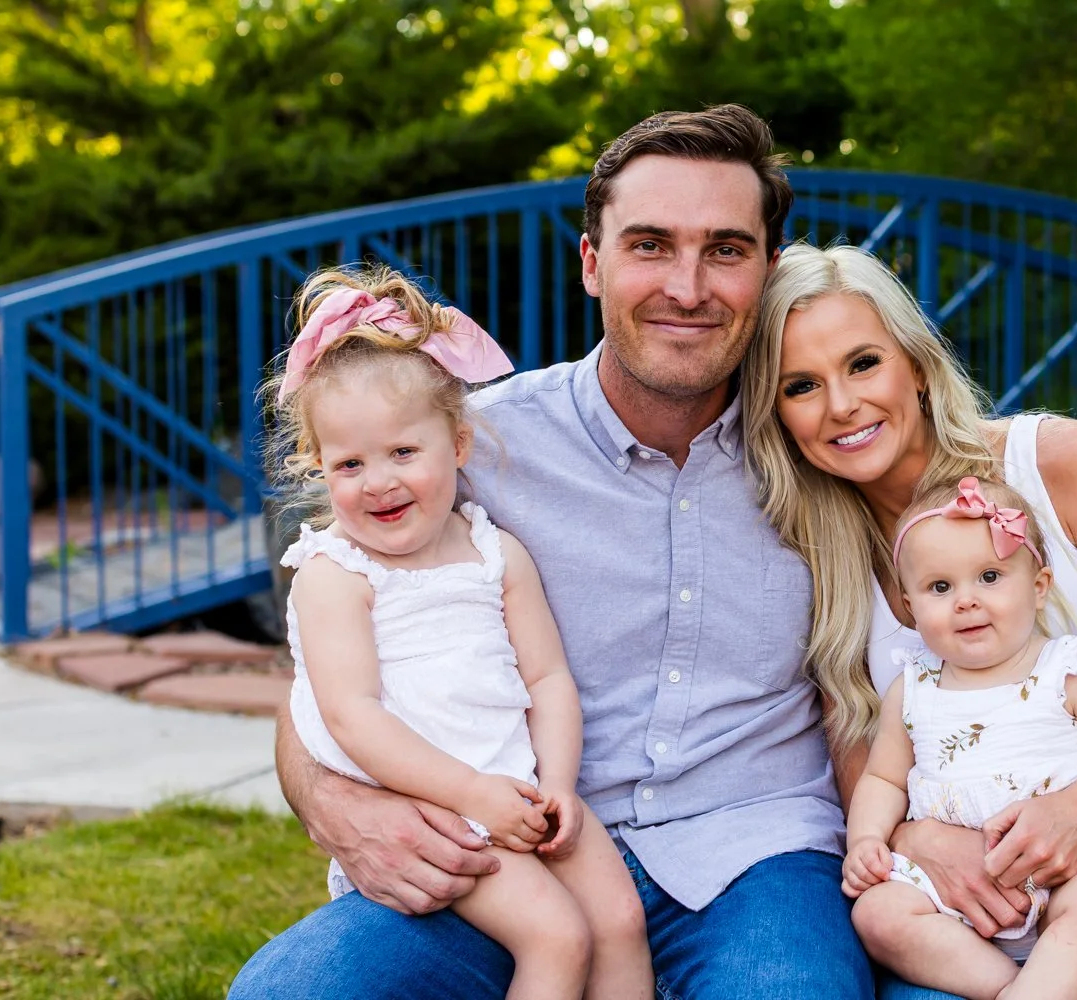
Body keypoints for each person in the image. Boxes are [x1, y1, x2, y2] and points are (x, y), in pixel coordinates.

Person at [228, 105, 875, 999]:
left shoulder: (828, 446)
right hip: (510, 843)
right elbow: (328, 663)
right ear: (591, 263)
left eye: (726, 250)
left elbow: (965, 468)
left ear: (767, 271)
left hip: (755, 849)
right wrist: (332, 800)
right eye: (650, 245)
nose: (687, 286)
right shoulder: (462, 447)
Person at [742, 242, 1077, 1000]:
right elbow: (864, 764)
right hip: (946, 889)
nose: (841, 405)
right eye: (801, 385)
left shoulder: (1059, 462)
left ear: (916, 364)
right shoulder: (811, 552)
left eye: (864, 364)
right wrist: (918, 841)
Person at [262, 265, 653, 999]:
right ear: (319, 466)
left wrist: (557, 784)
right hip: (438, 808)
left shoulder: (494, 552)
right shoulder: (335, 575)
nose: (379, 481)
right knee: (556, 935)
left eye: (404, 453)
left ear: (459, 445)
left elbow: (547, 679)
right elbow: (351, 715)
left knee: (619, 921)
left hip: (523, 789)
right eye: (350, 463)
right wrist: (473, 794)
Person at [843, 475, 1077, 1000]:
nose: (966, 601)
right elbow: (883, 779)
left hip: (1069, 876)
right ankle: (1008, 987)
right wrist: (867, 840)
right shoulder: (912, 690)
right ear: (910, 607)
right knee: (877, 914)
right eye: (940, 587)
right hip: (949, 895)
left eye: (989, 576)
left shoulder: (1065, 672)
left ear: (1038, 586)